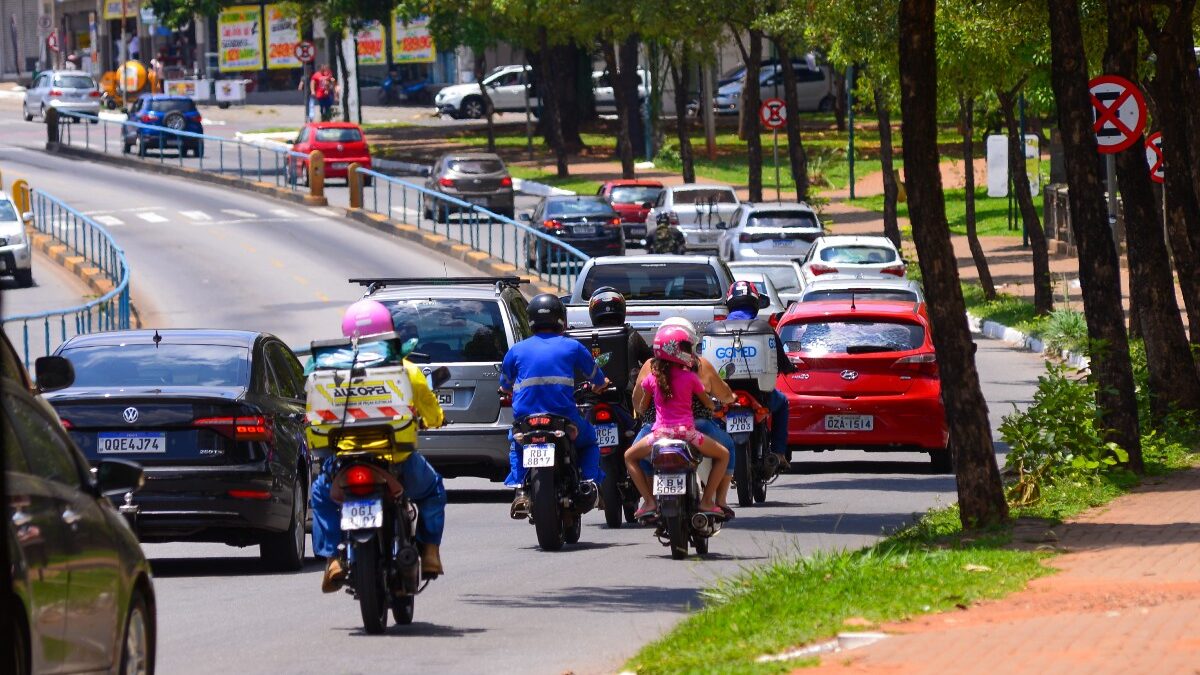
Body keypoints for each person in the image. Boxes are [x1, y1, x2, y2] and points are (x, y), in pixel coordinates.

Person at [310, 299, 449, 592]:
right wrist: (436, 419)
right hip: (396, 461)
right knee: (433, 491)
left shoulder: (327, 371)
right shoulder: (406, 369)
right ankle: (430, 552)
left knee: (321, 496)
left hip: (344, 463)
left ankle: (334, 558)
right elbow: (431, 412)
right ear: (389, 330)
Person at [501, 293, 606, 518]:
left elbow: (505, 384)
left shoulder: (517, 350)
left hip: (526, 420)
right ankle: (590, 483)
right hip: (564, 418)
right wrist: (600, 384)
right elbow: (597, 377)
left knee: (516, 444)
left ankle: (520, 490)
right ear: (561, 319)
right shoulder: (572, 347)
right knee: (589, 442)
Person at [630, 317, 739, 515]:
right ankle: (718, 500)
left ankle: (649, 501)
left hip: (655, 431)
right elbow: (718, 396)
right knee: (727, 448)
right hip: (693, 429)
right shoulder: (697, 369)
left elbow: (639, 403)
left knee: (638, 456)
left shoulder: (649, 370)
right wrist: (723, 400)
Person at [720, 280, 794, 470]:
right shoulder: (765, 329)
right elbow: (781, 360)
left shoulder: (717, 330)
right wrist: (789, 368)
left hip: (724, 396)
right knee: (783, 402)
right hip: (762, 396)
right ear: (754, 303)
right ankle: (778, 452)